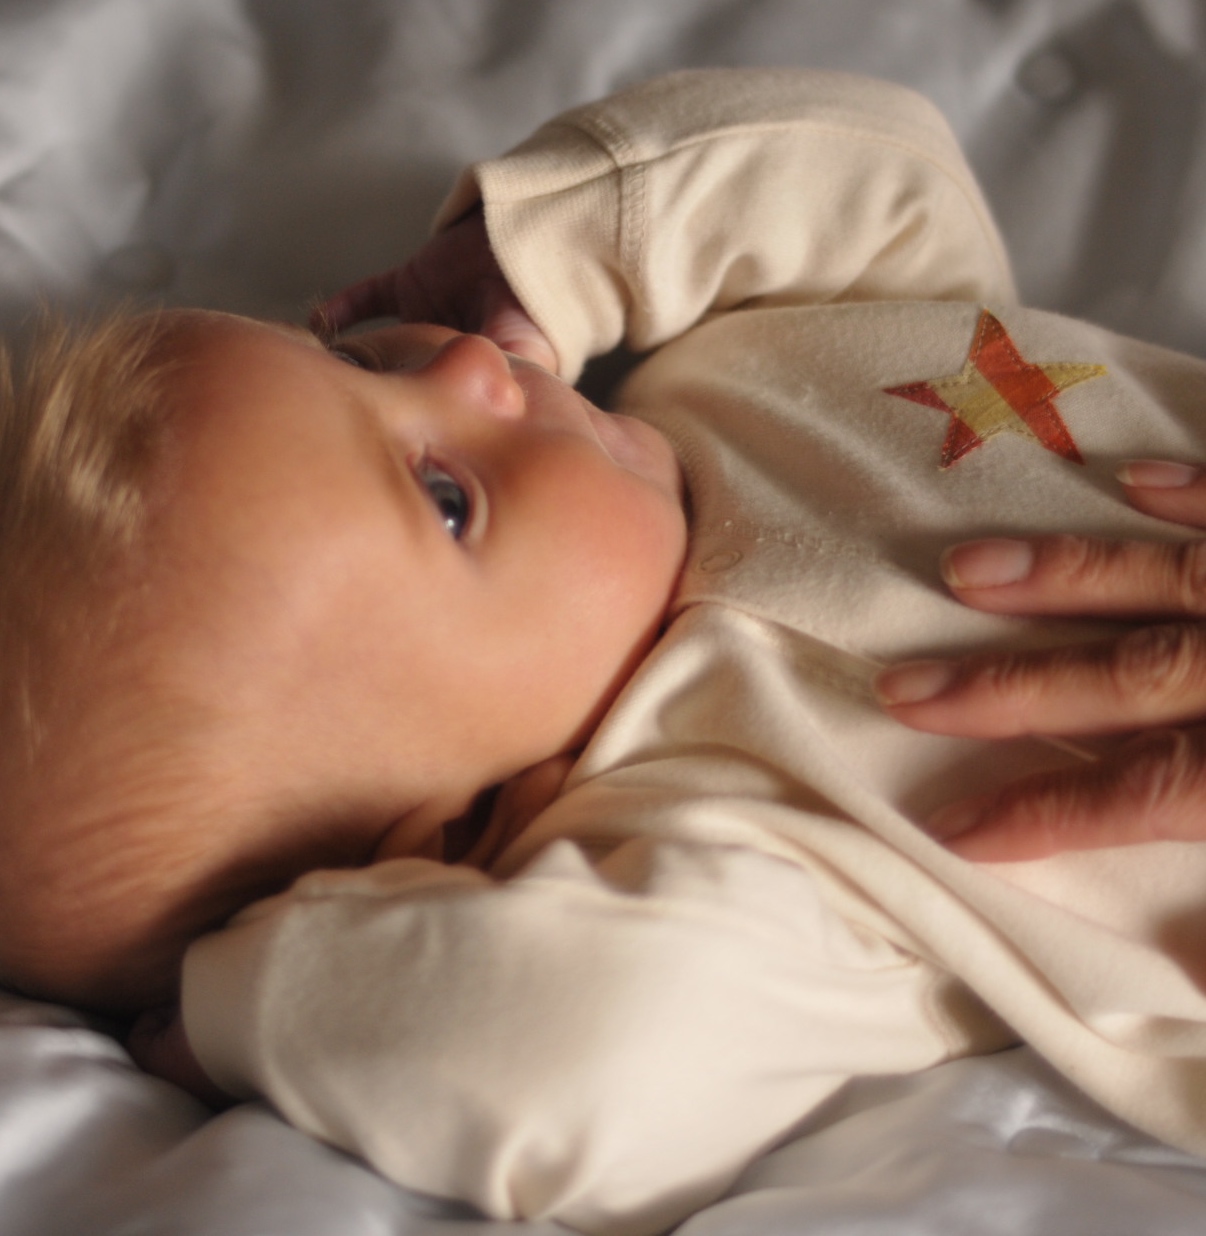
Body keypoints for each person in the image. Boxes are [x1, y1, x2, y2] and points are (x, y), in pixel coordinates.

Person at [7, 67, 1206, 1236]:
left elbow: (890, 177)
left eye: (358, 361)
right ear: (449, 838)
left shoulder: (738, 362)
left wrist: (555, 252)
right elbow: (561, 1049)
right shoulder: (736, 844)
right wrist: (252, 1001)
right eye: (444, 497)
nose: (466, 367)